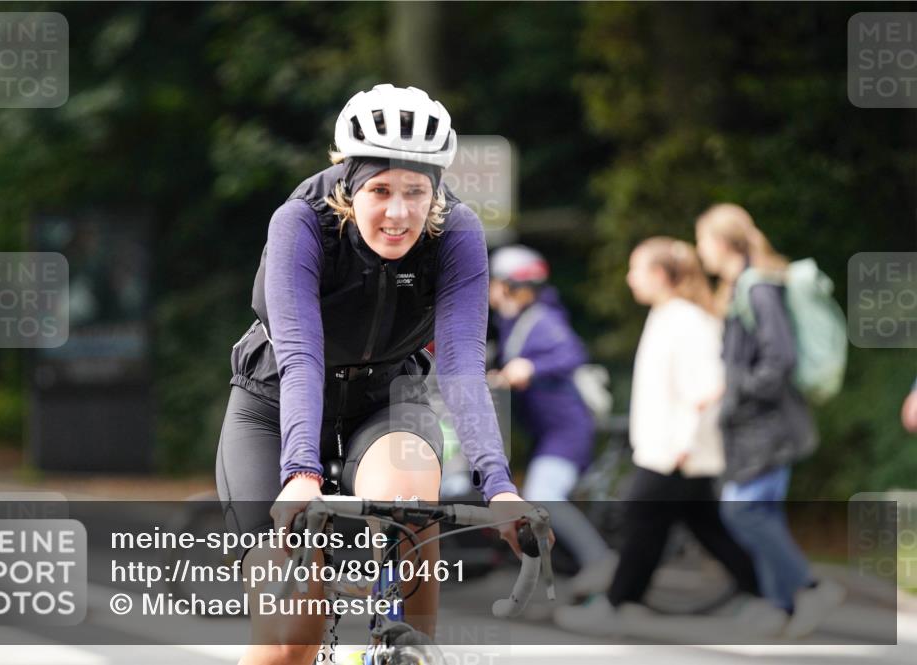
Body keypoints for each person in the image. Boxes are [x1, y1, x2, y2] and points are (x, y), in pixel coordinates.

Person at [216, 84, 537, 665]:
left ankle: (409, 649)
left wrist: (501, 489)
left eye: (416, 192)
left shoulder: (456, 233)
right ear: (348, 182)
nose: (399, 212)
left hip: (386, 397)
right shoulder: (300, 223)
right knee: (290, 639)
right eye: (380, 189)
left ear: (435, 190)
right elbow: (301, 357)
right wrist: (300, 473)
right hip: (276, 404)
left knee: (409, 501)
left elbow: (464, 364)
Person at [554, 237, 769, 636]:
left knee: (643, 522)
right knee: (706, 528)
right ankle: (770, 595)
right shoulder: (670, 315)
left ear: (657, 275)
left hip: (675, 451)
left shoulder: (684, 320)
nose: (629, 277)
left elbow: (707, 389)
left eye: (635, 269)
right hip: (673, 450)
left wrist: (682, 446)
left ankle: (619, 604)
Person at [696, 203, 844, 639]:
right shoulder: (747, 286)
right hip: (760, 423)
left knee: (741, 511)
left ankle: (812, 587)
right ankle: (780, 604)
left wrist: (739, 393)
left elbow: (779, 358)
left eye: (702, 241)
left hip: (769, 424)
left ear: (722, 244)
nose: (700, 251)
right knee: (762, 512)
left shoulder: (757, 288)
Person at [487, 245, 618, 594]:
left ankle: (599, 561)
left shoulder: (542, 319)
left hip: (565, 432)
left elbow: (571, 352)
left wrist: (530, 367)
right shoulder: (513, 321)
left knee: (545, 496)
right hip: (546, 434)